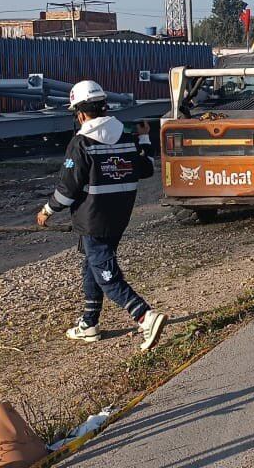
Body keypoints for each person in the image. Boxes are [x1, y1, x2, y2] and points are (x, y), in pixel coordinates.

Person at [37, 80, 167, 351]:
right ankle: (89, 323)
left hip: (91, 219)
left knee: (106, 273)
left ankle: (144, 316)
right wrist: (144, 137)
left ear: (82, 114)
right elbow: (145, 169)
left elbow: (68, 188)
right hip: (119, 216)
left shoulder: (81, 143)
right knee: (92, 264)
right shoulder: (125, 136)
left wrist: (48, 210)